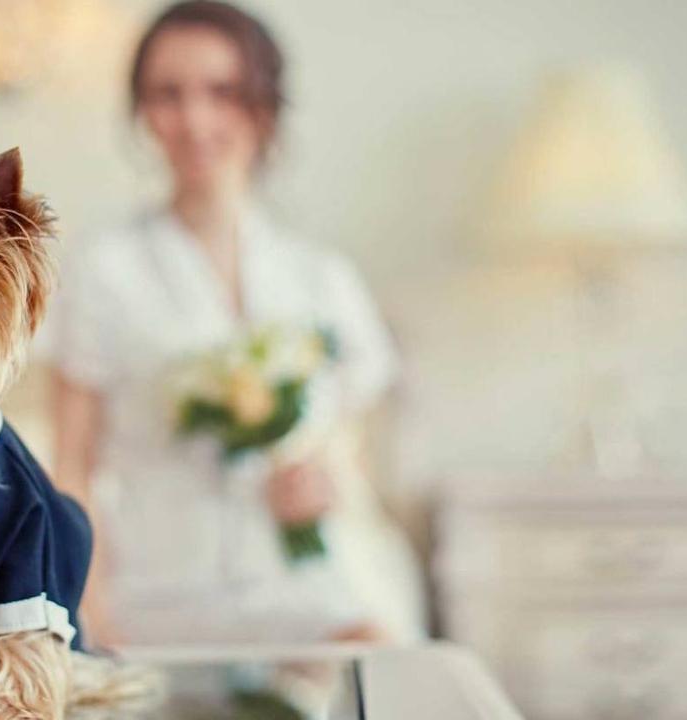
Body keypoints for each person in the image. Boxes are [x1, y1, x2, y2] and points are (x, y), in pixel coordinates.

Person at [39, 0, 424, 654]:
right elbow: (72, 467)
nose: (194, 120)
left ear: (263, 107)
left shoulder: (322, 278)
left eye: (222, 92)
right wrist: (92, 618)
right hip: (155, 596)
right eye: (167, 94)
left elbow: (350, 441)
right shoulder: (104, 270)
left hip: (304, 589)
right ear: (142, 112)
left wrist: (327, 477)